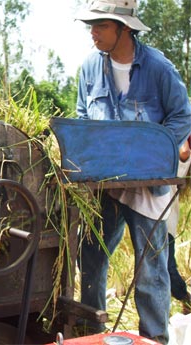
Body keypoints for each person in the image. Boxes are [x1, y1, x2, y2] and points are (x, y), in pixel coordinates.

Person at [74, 0, 191, 344]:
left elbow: (182, 116)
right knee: (92, 257)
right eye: (91, 26)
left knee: (151, 270)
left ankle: (154, 339)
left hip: (147, 185)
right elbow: (82, 116)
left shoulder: (157, 68)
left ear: (125, 28)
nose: (93, 33)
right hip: (105, 184)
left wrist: (152, 153)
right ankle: (90, 330)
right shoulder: (90, 68)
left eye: (101, 26)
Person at [167, 139, 191, 314]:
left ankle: (184, 298)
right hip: (161, 213)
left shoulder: (183, 147)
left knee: (165, 265)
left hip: (162, 215)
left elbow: (184, 152)